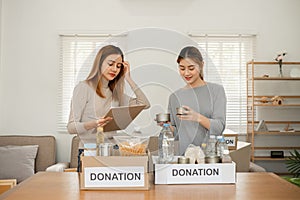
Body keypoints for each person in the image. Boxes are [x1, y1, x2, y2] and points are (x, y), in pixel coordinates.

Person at [67, 45, 150, 170]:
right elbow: (71, 127)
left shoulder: (115, 93)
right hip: (90, 151)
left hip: (112, 151)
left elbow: (145, 104)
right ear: (99, 63)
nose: (114, 69)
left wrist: (128, 78)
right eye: (110, 64)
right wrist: (95, 123)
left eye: (118, 66)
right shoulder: (83, 88)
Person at [167, 46, 226, 155]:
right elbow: (176, 134)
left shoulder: (216, 91)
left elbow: (219, 127)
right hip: (184, 159)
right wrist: (166, 126)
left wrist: (197, 117)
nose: (186, 73)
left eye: (191, 68)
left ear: (201, 65)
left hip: (210, 158)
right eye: (182, 68)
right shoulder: (174, 97)